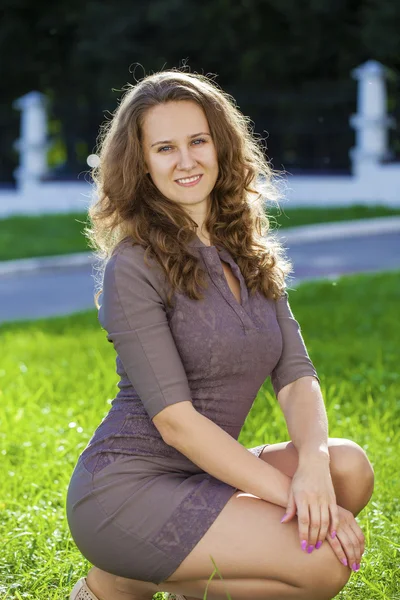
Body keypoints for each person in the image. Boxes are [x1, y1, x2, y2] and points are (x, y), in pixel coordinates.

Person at [66, 69, 374, 600]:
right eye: (165, 148)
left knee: (348, 467)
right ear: (141, 163)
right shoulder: (134, 265)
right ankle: (117, 579)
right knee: (323, 564)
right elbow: (177, 424)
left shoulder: (246, 250)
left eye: (198, 141)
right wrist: (294, 497)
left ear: (220, 145)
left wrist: (315, 470)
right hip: (128, 489)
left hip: (206, 475)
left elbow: (297, 376)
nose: (186, 160)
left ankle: (137, 579)